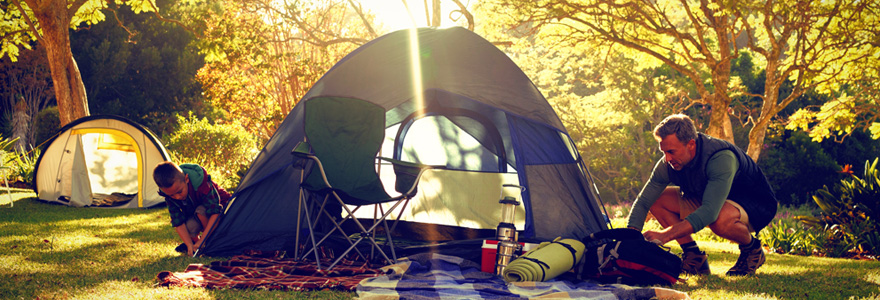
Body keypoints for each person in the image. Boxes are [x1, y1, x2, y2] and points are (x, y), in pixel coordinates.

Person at [626, 114, 778, 276]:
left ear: (691, 144)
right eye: (664, 152)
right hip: (711, 198)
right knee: (657, 200)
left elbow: (709, 212)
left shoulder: (721, 158)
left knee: (718, 218)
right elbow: (644, 201)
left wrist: (665, 235)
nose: (667, 158)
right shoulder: (667, 163)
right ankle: (694, 257)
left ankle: (752, 249)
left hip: (755, 204)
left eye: (671, 151)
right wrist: (629, 239)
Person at [153, 161, 231, 256]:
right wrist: (189, 244)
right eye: (172, 195)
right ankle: (197, 246)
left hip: (225, 211)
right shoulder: (169, 195)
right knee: (188, 227)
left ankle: (211, 242)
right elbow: (178, 222)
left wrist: (202, 240)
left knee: (200, 211)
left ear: (186, 179)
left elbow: (216, 213)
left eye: (179, 192)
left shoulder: (202, 183)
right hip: (200, 215)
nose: (177, 197)